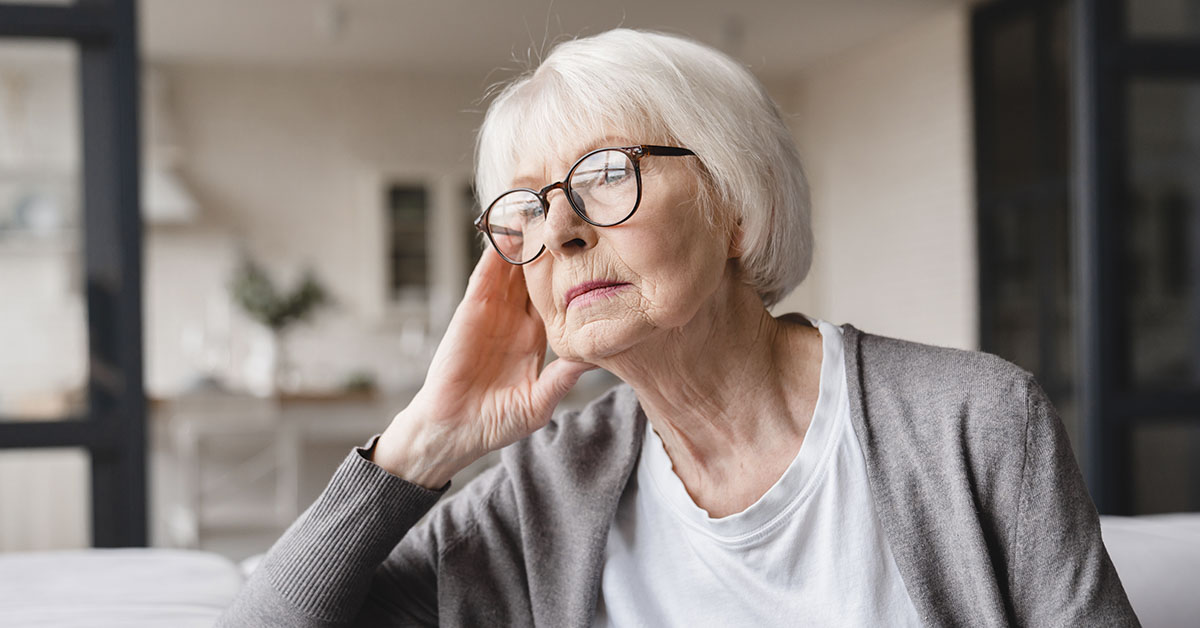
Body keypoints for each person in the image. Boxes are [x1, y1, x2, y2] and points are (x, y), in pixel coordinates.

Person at [219, 29, 1138, 627]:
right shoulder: (541, 493)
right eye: (528, 207)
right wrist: (424, 441)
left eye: (606, 174)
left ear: (734, 206)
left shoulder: (974, 421)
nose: (561, 228)